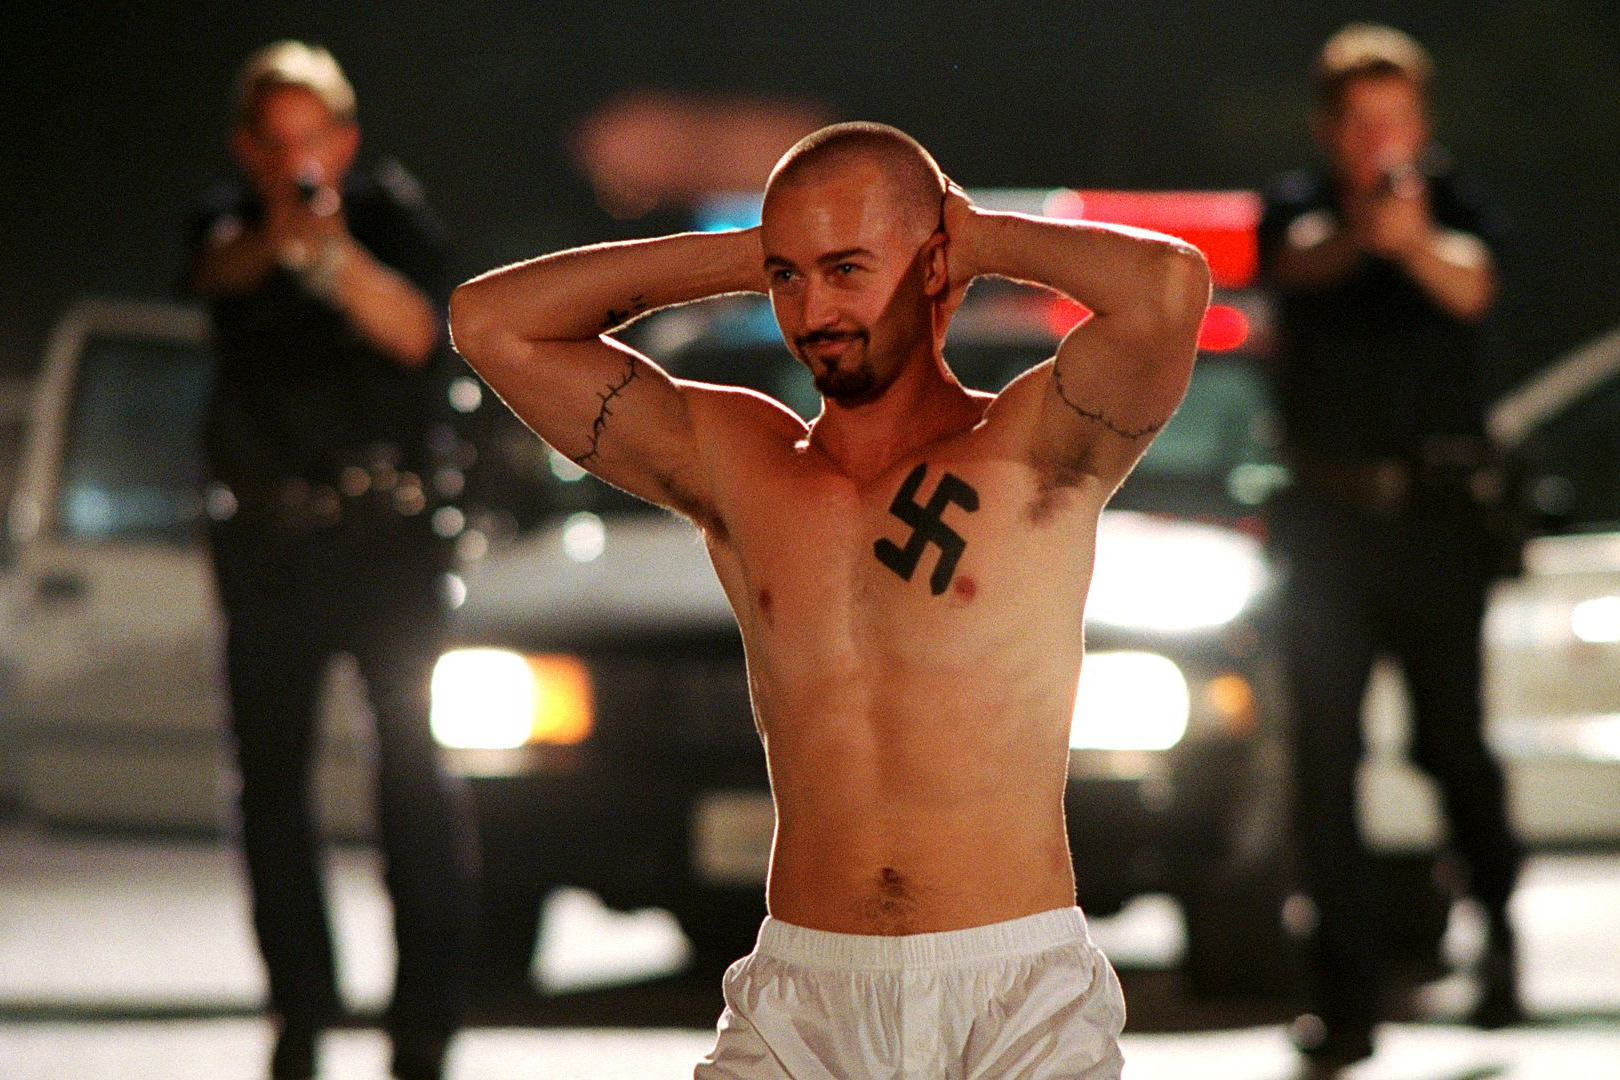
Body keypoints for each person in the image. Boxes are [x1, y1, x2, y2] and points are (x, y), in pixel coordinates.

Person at [451, 121, 1209, 1078]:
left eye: (847, 270)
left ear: (932, 265)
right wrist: (746, 254)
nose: (813, 310)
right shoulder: (742, 463)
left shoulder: (1032, 448)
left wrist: (977, 236)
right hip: (802, 999)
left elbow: (1169, 289)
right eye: (789, 279)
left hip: (1014, 994)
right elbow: (490, 322)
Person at [183, 41, 478, 1080]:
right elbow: (214, 275)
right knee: (269, 785)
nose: (294, 160)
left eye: (309, 139)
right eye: (274, 142)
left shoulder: (393, 216)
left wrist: (332, 253)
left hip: (389, 542)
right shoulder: (228, 223)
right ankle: (301, 1011)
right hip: (269, 548)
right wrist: (282, 235)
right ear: (247, 149)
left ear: (343, 141)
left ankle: (424, 1023)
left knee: (415, 779)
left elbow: (418, 332)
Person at [1257, 23, 1524, 1078]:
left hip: (1435, 526)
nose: (1379, 137)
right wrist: (1363, 232)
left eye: (1396, 117)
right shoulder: (1296, 205)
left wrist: (1411, 240)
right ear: (1330, 128)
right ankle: (1345, 998)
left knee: (1452, 743)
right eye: (1361, 119)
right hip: (1327, 528)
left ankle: (1497, 927)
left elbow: (1475, 282)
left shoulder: (1455, 203)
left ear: (1422, 122)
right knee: (1323, 763)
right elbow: (1295, 263)